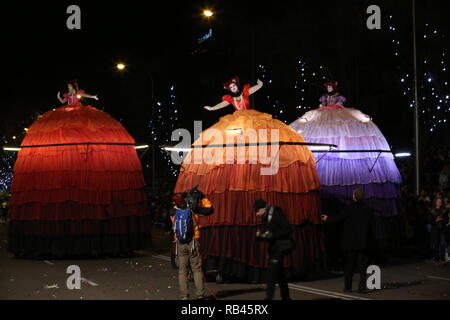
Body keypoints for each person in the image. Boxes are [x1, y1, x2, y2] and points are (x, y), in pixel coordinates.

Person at [321, 189, 375, 293]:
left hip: (350, 242)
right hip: (363, 242)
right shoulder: (368, 209)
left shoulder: (349, 208)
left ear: (354, 196)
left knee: (349, 265)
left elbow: (338, 218)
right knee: (362, 266)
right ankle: (362, 288)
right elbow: (371, 227)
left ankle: (348, 287)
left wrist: (327, 218)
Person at [169, 187, 213, 300]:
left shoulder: (173, 211)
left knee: (182, 270)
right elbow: (210, 210)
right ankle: (200, 295)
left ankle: (184, 296)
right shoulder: (194, 210)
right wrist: (202, 197)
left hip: (180, 243)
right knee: (196, 269)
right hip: (193, 242)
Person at [254, 199, 294, 300]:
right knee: (280, 274)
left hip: (280, 247)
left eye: (257, 211)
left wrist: (273, 235)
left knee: (271, 273)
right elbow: (268, 234)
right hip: (274, 249)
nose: (256, 214)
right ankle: (286, 297)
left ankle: (268, 297)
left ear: (263, 209)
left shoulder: (276, 213)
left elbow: (288, 229)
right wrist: (260, 236)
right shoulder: (266, 217)